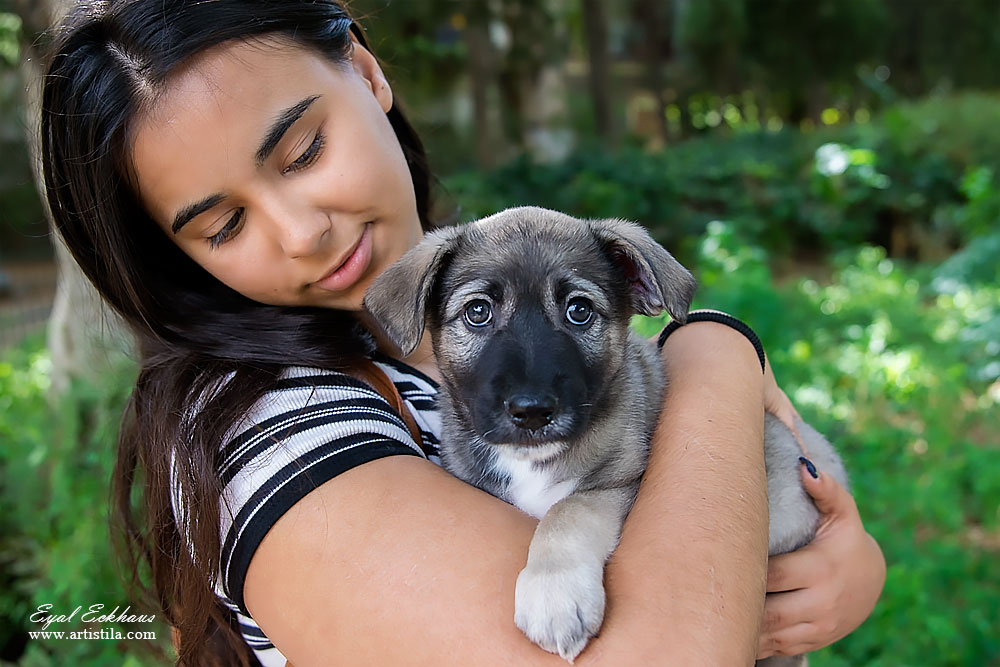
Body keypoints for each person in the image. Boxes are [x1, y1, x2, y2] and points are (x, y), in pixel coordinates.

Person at [39, 1, 885, 665]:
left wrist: (839, 569)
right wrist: (716, 352)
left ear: (366, 74)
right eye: (223, 225)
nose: (303, 232)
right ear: (176, 257)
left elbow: (757, 518)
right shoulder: (264, 433)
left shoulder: (445, 308)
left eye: (301, 152)